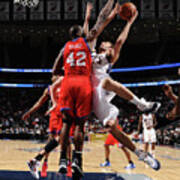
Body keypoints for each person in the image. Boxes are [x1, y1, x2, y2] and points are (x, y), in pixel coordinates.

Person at [83, 4, 161, 171]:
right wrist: (88, 17)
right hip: (94, 95)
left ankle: (141, 104)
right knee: (111, 126)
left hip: (104, 86)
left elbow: (119, 41)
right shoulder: (90, 51)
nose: (109, 45)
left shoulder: (108, 58)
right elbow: (93, 30)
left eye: (110, 45)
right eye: (107, 44)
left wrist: (129, 23)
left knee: (106, 80)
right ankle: (140, 153)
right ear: (101, 45)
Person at [52, 0, 120, 177]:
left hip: (67, 82)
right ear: (81, 34)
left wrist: (66, 70)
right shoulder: (87, 42)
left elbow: (54, 70)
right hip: (83, 83)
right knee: (80, 126)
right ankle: (77, 160)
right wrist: (111, 5)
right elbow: (101, 20)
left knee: (66, 123)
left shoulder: (65, 47)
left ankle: (62, 160)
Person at [22, 76, 72, 179]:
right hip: (56, 115)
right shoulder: (50, 89)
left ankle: (66, 164)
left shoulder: (67, 84)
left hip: (65, 113)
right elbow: (39, 102)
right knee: (57, 138)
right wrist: (29, 112)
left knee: (66, 140)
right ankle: (44, 163)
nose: (55, 77)